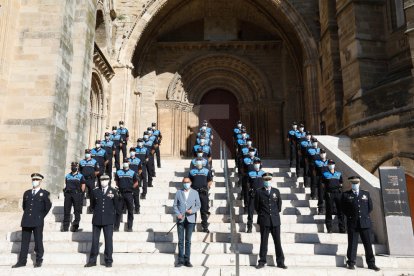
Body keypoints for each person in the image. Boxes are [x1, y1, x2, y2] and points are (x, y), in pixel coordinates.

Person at [12, 173, 52, 268]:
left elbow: (48, 207)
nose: (35, 181)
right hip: (26, 220)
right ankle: (22, 261)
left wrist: (40, 216)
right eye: (33, 179)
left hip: (37, 221)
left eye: (37, 179)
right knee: (24, 242)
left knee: (38, 241)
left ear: (40, 181)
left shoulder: (45, 193)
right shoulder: (27, 193)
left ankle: (38, 260)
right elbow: (24, 206)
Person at [342, 176, 380, 271]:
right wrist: (351, 216)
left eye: (356, 183)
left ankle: (371, 263)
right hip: (353, 223)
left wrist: (364, 216)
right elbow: (343, 209)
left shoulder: (366, 194)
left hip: (365, 223)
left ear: (359, 183)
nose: (355, 185)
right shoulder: (346, 195)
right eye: (353, 183)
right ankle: (351, 262)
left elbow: (370, 207)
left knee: (368, 244)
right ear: (351, 184)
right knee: (352, 244)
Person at [85, 174, 118, 268]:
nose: (103, 181)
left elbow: (117, 206)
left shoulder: (114, 191)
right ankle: (92, 260)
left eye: (105, 179)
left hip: (108, 219)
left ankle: (108, 260)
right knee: (95, 240)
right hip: (97, 219)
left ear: (109, 180)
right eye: (102, 180)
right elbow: (92, 205)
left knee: (108, 241)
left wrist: (114, 220)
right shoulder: (95, 191)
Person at [255, 172, 287, 269]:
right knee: (263, 241)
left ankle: (280, 261)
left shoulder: (276, 191)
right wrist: (263, 215)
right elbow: (256, 206)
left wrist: (274, 214)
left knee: (278, 242)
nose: (267, 181)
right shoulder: (259, 192)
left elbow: (279, 206)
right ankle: (262, 261)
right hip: (264, 220)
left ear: (271, 180)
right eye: (266, 180)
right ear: (263, 180)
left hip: (275, 220)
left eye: (269, 180)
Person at [173, 177, 201, 268]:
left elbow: (198, 205)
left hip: (190, 219)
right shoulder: (178, 192)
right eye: (184, 182)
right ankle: (180, 260)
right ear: (182, 183)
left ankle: (187, 260)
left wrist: (192, 211)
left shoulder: (195, 193)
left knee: (188, 241)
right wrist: (178, 214)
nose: (186, 184)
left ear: (191, 182)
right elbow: (175, 205)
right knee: (181, 241)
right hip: (181, 219)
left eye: (187, 182)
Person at [188, 160, 213, 232]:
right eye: (197, 162)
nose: (199, 164)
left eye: (200, 162)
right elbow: (189, 180)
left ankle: (205, 227)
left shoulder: (206, 171)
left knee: (204, 210)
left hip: (203, 193)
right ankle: (192, 227)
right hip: (194, 192)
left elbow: (210, 180)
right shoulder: (192, 171)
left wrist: (206, 188)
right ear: (195, 164)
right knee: (193, 210)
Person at [114, 158, 138, 232]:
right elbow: (117, 182)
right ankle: (116, 227)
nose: (125, 163)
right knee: (118, 211)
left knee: (130, 211)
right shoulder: (118, 172)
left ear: (129, 163)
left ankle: (129, 227)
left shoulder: (132, 172)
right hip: (121, 194)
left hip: (129, 194)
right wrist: (121, 187)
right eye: (124, 162)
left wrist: (131, 188)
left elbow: (136, 182)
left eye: (127, 162)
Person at [322, 160, 345, 233]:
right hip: (329, 193)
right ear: (328, 165)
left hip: (338, 193)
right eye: (329, 164)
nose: (331, 165)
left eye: (332, 164)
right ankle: (329, 228)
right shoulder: (325, 174)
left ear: (334, 165)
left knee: (340, 211)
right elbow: (323, 184)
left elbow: (341, 183)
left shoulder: (339, 174)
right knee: (329, 211)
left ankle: (342, 228)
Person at [62, 162, 86, 232]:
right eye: (72, 166)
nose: (73, 167)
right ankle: (65, 227)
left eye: (75, 166)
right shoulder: (67, 176)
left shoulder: (80, 176)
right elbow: (66, 184)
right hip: (68, 194)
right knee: (66, 210)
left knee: (77, 211)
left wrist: (81, 193)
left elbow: (83, 185)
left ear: (77, 167)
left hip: (76, 194)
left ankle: (75, 225)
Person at [246, 159, 265, 233]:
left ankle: (262, 227)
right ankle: (249, 227)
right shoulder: (250, 173)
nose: (257, 164)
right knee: (250, 212)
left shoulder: (263, 173)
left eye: (258, 163)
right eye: (255, 163)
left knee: (262, 212)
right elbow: (247, 183)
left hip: (261, 196)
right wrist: (250, 190)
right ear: (253, 164)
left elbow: (266, 184)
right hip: (253, 195)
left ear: (260, 164)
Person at [79, 149, 99, 213]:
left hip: (90, 179)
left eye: (88, 153)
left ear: (90, 154)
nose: (87, 154)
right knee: (81, 193)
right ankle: (79, 209)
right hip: (83, 180)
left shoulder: (94, 161)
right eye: (86, 153)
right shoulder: (81, 162)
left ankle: (92, 208)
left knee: (92, 194)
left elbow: (97, 171)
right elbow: (79, 171)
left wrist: (93, 176)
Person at [314, 149, 329, 214]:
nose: (323, 154)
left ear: (326, 154)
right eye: (321, 153)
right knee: (320, 195)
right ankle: (321, 209)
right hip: (320, 179)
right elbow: (314, 171)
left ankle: (331, 209)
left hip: (328, 179)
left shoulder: (329, 162)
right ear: (319, 154)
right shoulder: (317, 162)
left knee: (329, 195)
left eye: (324, 153)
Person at [128, 147, 142, 213]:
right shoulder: (127, 160)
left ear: (135, 152)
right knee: (128, 195)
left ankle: (137, 209)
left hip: (135, 179)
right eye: (131, 151)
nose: (132, 152)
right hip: (128, 179)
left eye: (133, 151)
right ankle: (127, 209)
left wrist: (137, 175)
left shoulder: (138, 160)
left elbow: (140, 169)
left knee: (136, 195)